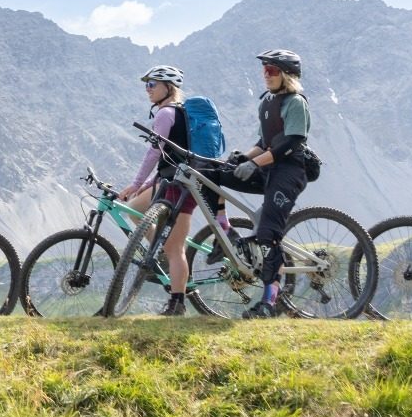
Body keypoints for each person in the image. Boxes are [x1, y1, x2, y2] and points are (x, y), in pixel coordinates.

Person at [214, 49, 315, 319]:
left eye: (271, 71)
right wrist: (243, 158)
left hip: (289, 172)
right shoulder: (267, 102)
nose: (266, 75)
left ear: (287, 75)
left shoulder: (295, 103)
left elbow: (291, 142)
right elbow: (263, 143)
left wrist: (255, 163)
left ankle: (269, 304)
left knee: (268, 235)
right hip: (267, 168)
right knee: (214, 174)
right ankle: (225, 231)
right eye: (264, 70)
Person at [119, 64, 214, 316]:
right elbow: (169, 159)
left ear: (168, 87)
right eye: (146, 85)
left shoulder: (165, 114)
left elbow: (154, 152)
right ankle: (163, 253)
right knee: (135, 209)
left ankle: (177, 302)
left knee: (175, 248)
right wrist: (148, 185)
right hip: (176, 181)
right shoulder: (181, 113)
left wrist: (136, 184)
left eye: (152, 84)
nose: (147, 90)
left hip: (179, 186)